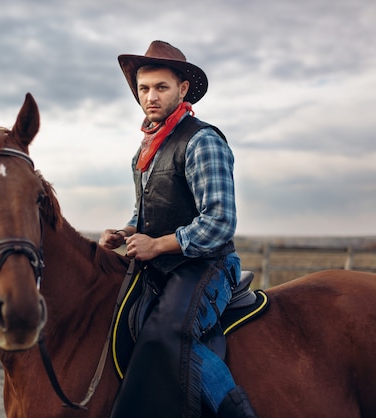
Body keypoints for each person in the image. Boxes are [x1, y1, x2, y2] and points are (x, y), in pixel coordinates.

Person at [99, 41, 257, 418]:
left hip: (206, 266)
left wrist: (157, 245)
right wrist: (124, 233)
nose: (150, 97)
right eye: (143, 89)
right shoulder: (145, 150)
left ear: (183, 89)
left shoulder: (202, 141)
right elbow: (146, 212)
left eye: (161, 87)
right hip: (161, 266)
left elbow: (219, 222)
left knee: (168, 335)